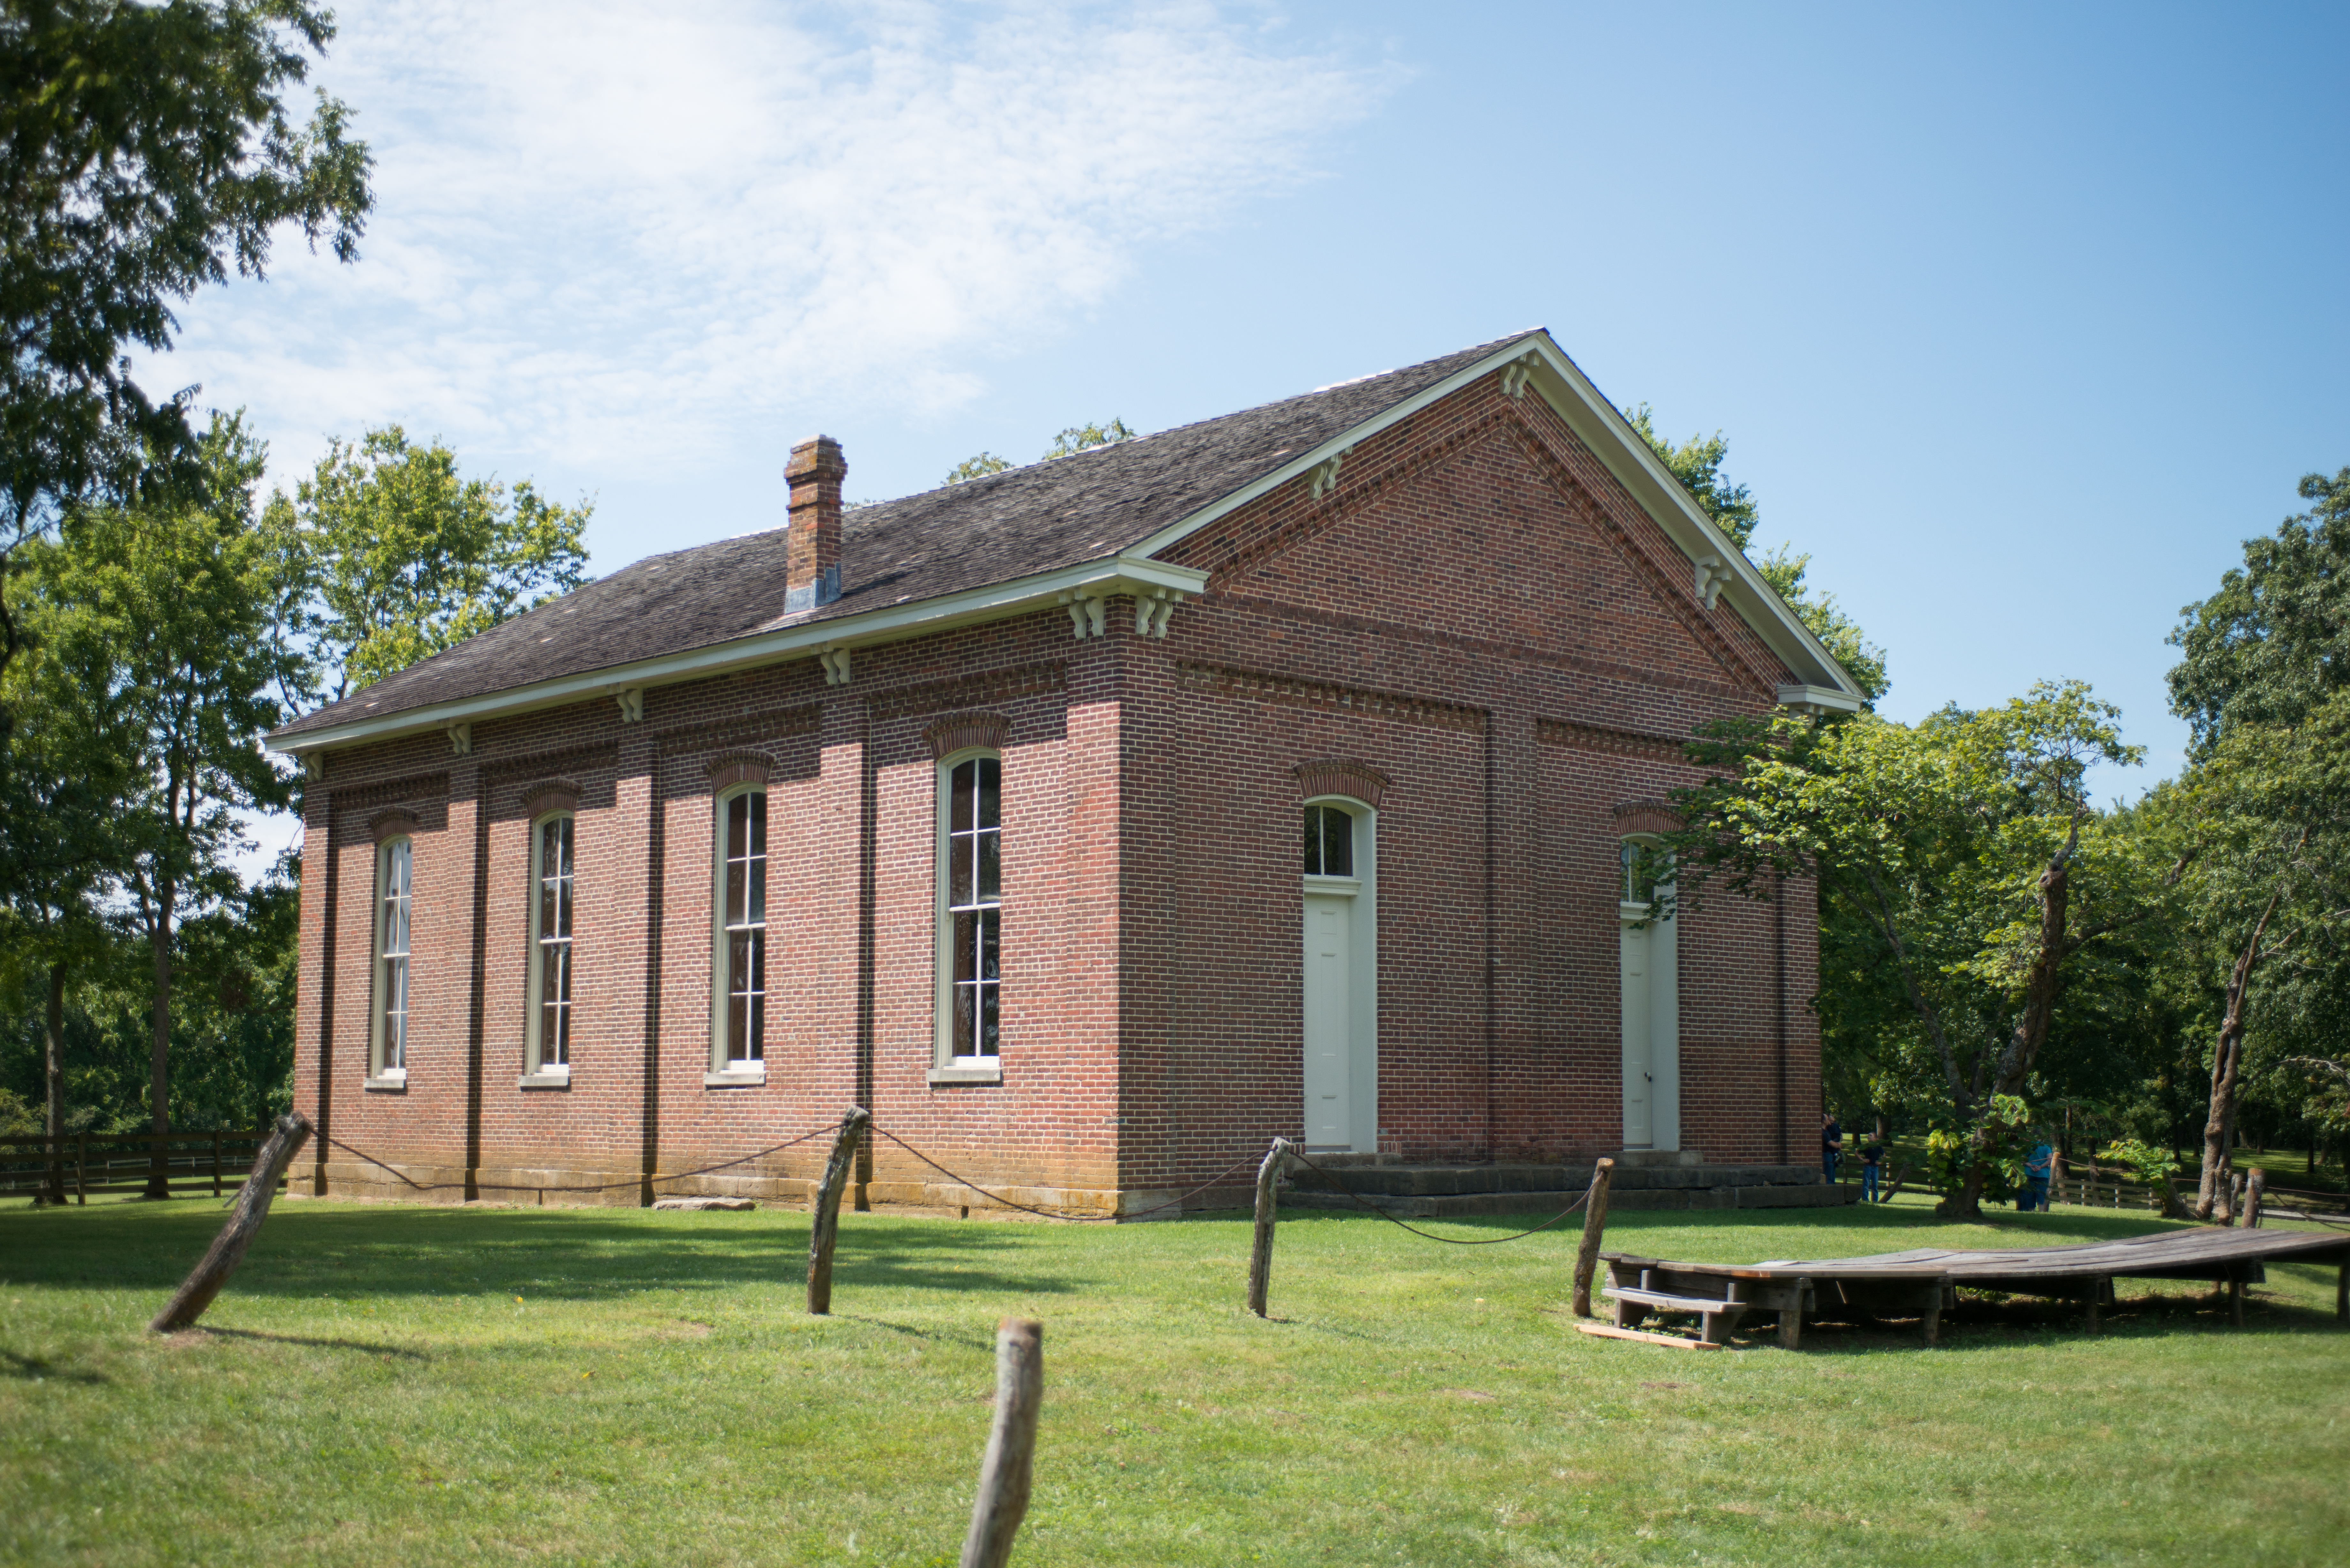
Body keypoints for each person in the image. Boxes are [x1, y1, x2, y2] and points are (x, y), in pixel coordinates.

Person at [2021, 1139, 2053, 1212]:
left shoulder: (2028, 1147)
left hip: (2029, 1173)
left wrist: (2031, 1166)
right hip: (2043, 1174)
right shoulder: (2046, 1148)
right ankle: (2041, 1211)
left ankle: (2031, 1211)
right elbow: (2050, 1160)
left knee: (2030, 1193)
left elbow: (2023, 1160)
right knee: (2042, 1194)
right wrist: (2040, 1167)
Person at [1860, 1136, 1884, 1203]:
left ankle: (1875, 1201)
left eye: (1871, 1136)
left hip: (1875, 1168)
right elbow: (1856, 1153)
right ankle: (1865, 1200)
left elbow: (1884, 1155)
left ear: (1875, 1139)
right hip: (1867, 1167)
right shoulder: (1865, 1146)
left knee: (1875, 1185)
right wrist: (1862, 1160)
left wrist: (1881, 1162)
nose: (1869, 1137)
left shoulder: (1878, 1147)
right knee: (1866, 1184)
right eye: (1868, 1135)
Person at [1822, 1112, 1843, 1184]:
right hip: (1827, 1156)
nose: (1829, 1121)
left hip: (1831, 1156)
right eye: (1828, 1119)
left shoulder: (1827, 1131)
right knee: (1828, 1178)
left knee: (1832, 1178)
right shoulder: (1823, 1133)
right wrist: (1838, 1145)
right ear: (1824, 1121)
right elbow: (1831, 1143)